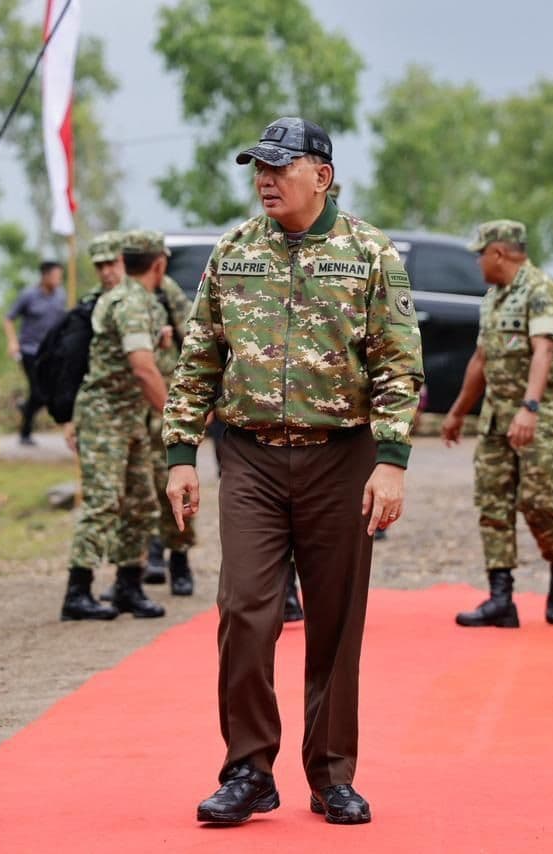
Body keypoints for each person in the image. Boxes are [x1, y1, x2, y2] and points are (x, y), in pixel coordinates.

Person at [164, 117, 423, 826]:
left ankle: (332, 773)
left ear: (323, 175)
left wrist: (392, 463)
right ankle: (248, 769)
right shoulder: (233, 252)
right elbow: (198, 361)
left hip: (342, 458)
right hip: (247, 456)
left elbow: (398, 365)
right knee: (245, 611)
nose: (266, 179)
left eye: (281, 166)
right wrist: (181, 454)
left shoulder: (370, 254)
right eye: (259, 167)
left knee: (336, 623)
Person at [442, 220, 553, 629]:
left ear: (498, 253)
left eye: (480, 254)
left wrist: (530, 407)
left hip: (539, 415)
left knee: (535, 501)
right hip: (496, 417)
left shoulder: (540, 290)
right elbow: (480, 361)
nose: (478, 262)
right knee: (493, 503)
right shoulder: (492, 298)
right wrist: (458, 412)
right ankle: (501, 598)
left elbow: (544, 351)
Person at [61, 230, 172, 622]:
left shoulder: (145, 302)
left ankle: (129, 585)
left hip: (132, 417)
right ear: (159, 263)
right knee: (103, 501)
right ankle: (78, 590)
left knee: (141, 501)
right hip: (104, 415)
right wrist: (176, 417)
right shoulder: (127, 304)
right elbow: (143, 369)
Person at [145, 270, 197, 594]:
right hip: (130, 411)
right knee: (140, 489)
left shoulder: (168, 293)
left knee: (175, 484)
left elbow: (195, 339)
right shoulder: (116, 299)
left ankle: (179, 557)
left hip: (170, 403)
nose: (108, 271)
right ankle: (148, 554)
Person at [3, 261, 66, 445]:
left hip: (51, 352)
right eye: (55, 276)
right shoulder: (28, 296)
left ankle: (26, 412)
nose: (58, 280)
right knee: (38, 391)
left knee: (48, 391)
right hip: (30, 351)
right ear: (45, 276)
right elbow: (8, 318)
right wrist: (13, 342)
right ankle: (25, 432)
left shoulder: (60, 296)